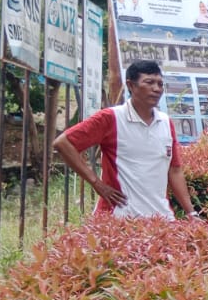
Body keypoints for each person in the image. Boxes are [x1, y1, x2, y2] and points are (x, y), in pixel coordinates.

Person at [53, 59, 195, 219]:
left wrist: (191, 213)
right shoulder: (111, 118)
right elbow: (63, 143)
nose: (156, 89)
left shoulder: (166, 123)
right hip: (118, 219)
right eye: (149, 82)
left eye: (160, 84)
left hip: (161, 219)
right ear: (131, 85)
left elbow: (175, 171)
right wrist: (97, 184)